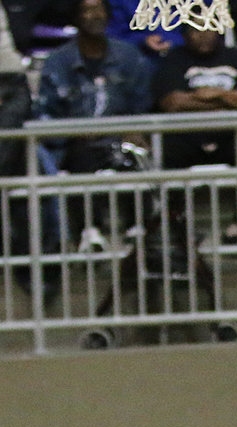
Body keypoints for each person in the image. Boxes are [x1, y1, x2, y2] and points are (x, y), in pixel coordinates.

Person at [36, 0, 151, 250]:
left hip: (121, 139)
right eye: (87, 10)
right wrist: (71, 131)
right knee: (82, 156)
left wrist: (135, 129)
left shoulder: (128, 56)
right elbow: (46, 114)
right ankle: (90, 231)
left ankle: (139, 228)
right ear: (76, 18)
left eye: (99, 9)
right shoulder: (58, 62)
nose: (94, 15)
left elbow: (143, 103)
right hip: (77, 144)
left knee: (132, 156)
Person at [151, 24, 237, 240]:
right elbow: (172, 102)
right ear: (184, 35)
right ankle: (175, 225)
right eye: (195, 30)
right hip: (187, 137)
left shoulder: (236, 57)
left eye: (208, 29)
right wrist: (230, 101)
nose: (203, 35)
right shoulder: (175, 58)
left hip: (231, 136)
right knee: (166, 153)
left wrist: (216, 94)